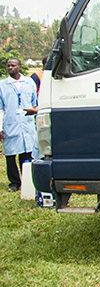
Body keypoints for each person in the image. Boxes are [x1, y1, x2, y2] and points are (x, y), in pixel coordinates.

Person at [0, 58, 38, 192]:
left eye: (13, 65)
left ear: (19, 67)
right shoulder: (2, 85)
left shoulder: (29, 82)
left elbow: (34, 101)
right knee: (10, 155)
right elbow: (0, 108)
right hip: (10, 124)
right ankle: (14, 182)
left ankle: (28, 181)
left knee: (26, 154)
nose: (10, 68)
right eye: (8, 66)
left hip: (26, 124)